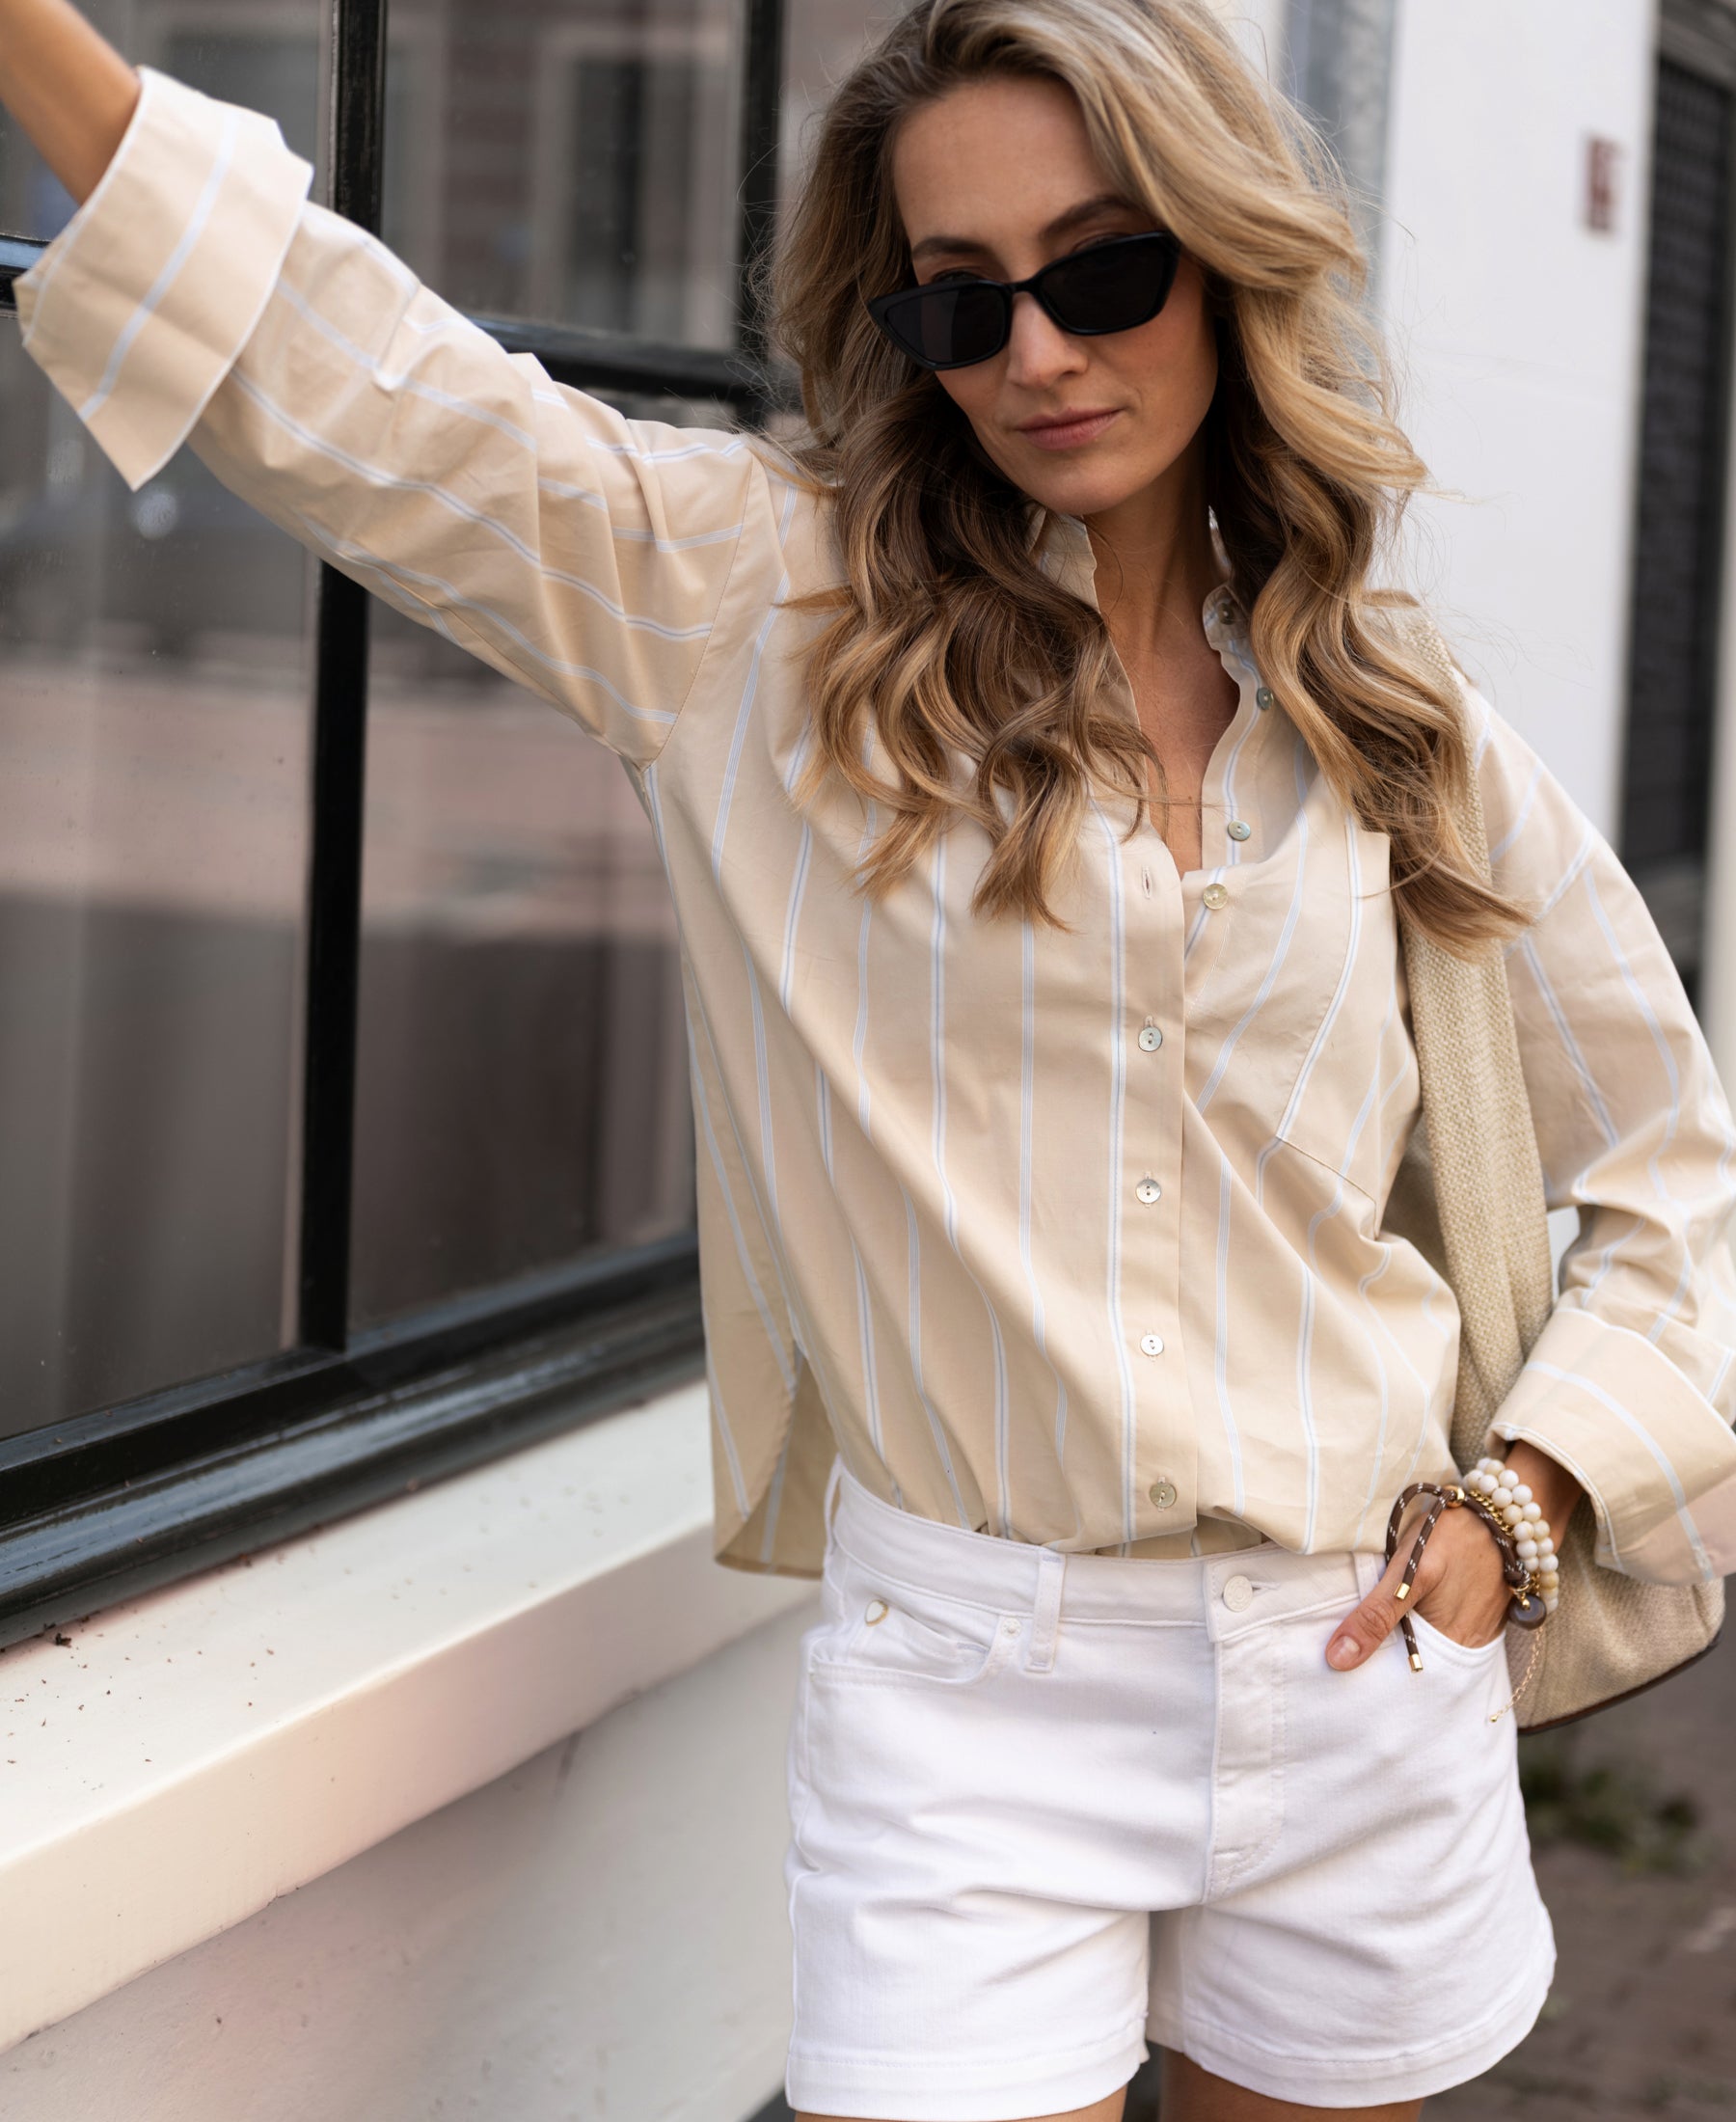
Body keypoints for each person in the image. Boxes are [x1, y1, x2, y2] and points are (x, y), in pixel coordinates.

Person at [4, 0, 1734, 2113]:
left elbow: (1672, 1159)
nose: (1037, 354)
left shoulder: (1390, 717)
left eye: (1103, 270)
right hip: (973, 1699)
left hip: (1365, 1659)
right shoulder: (757, 611)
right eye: (958, 301)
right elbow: (377, 391)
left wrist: (1530, 1496)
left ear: (1225, 260)